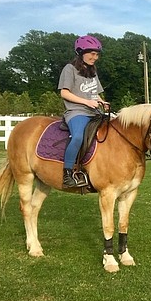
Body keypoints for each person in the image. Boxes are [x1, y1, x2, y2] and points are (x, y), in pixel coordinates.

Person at [58, 35, 109, 188]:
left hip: (94, 111)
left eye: (97, 54)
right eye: (92, 53)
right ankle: (67, 174)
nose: (95, 57)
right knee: (78, 136)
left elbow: (94, 93)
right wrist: (86, 101)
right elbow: (64, 93)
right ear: (81, 52)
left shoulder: (92, 71)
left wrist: (101, 101)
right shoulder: (70, 69)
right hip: (76, 111)